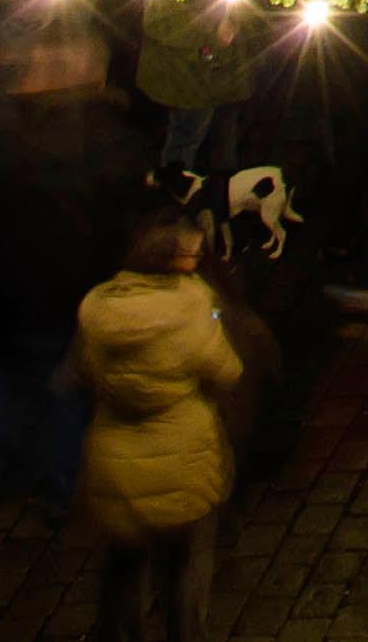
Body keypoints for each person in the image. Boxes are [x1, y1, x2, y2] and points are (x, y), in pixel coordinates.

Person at [75, 206, 243, 642]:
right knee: (186, 572)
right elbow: (227, 371)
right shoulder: (193, 305)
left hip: (117, 465)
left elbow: (88, 370)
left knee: (125, 566)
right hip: (184, 464)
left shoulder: (97, 308)